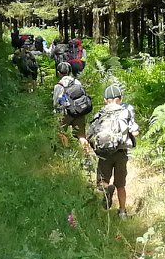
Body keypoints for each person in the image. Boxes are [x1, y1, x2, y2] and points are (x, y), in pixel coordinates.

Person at [87, 82, 140, 211]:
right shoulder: (125, 112)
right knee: (121, 185)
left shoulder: (99, 114)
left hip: (104, 153)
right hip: (121, 153)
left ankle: (107, 191)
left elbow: (90, 134)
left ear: (105, 100)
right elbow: (135, 132)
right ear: (120, 99)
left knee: (102, 182)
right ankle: (122, 212)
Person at [52, 67, 91, 148]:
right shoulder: (77, 82)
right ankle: (88, 156)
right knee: (81, 136)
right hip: (79, 110)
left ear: (59, 73)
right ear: (70, 72)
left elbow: (55, 103)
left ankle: (67, 151)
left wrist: (56, 114)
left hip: (66, 113)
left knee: (61, 132)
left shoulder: (58, 86)